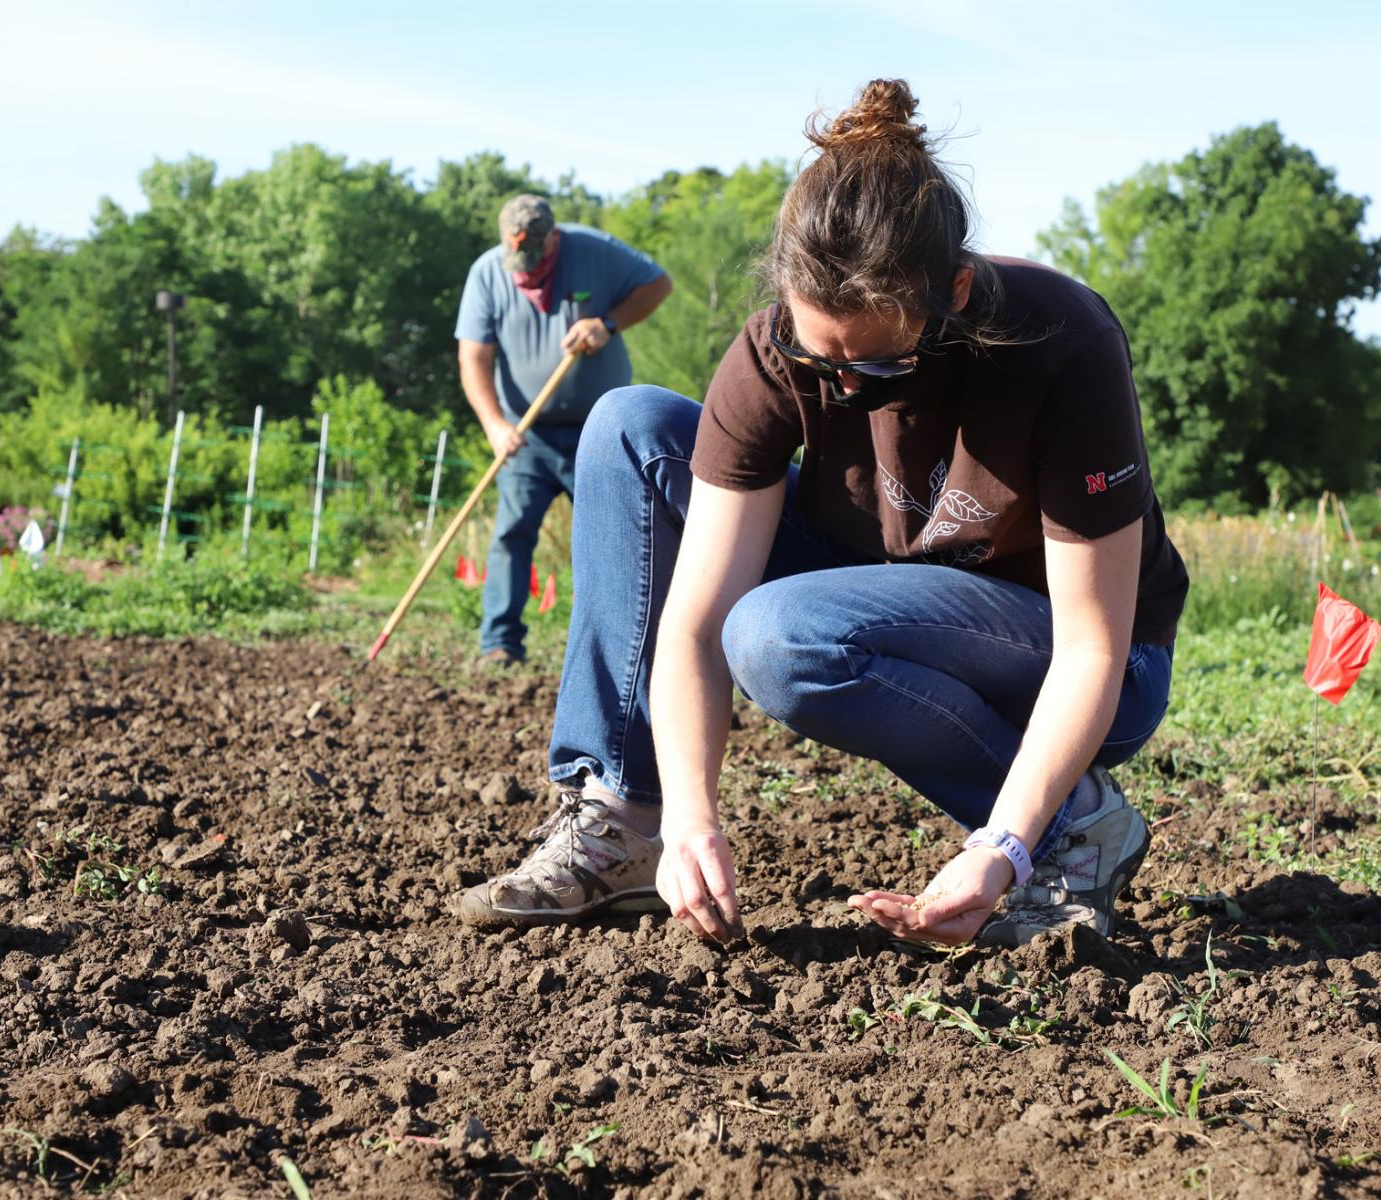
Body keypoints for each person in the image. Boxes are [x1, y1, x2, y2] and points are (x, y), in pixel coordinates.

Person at [459, 79, 1189, 949]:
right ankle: (625, 819)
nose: (843, 387)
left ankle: (1075, 826)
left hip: (1074, 656)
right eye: (819, 359)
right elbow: (694, 625)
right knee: (629, 427)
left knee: (780, 634)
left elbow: (1093, 648)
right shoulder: (774, 353)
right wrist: (692, 814)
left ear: (952, 291)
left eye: (877, 368)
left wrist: (1002, 844)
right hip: (875, 592)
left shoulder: (1059, 343)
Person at [454, 194, 672, 665]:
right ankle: (500, 645)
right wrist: (493, 424)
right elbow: (473, 357)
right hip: (524, 435)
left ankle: (623, 649)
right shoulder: (488, 273)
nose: (524, 270)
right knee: (512, 535)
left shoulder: (595, 250)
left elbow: (658, 285)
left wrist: (607, 323)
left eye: (533, 258)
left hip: (598, 431)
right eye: (517, 260)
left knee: (614, 539)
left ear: (553, 238)